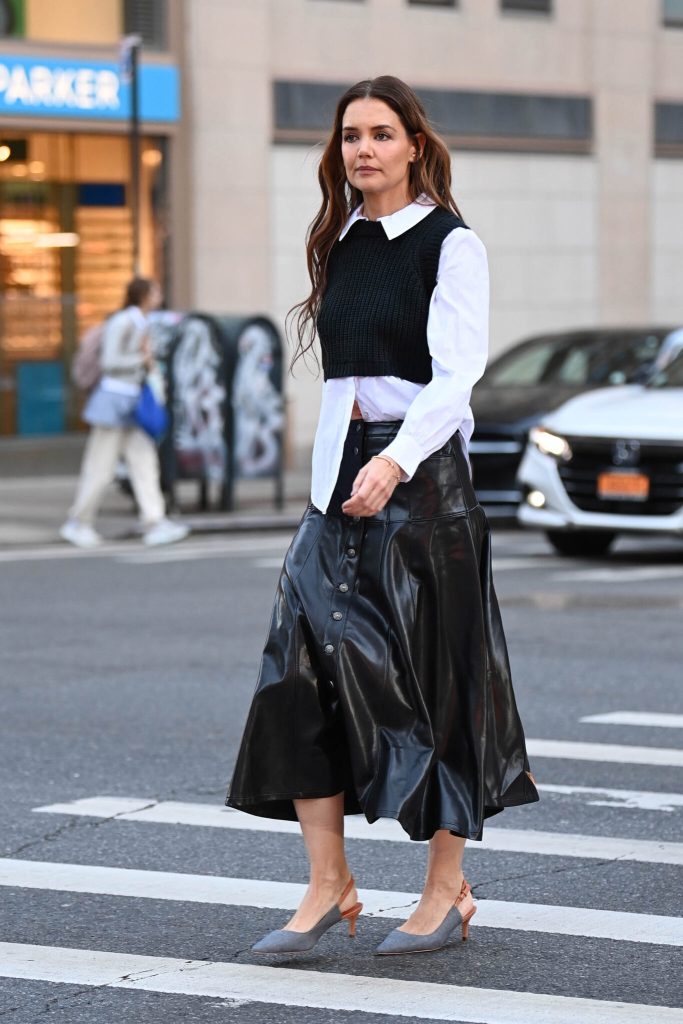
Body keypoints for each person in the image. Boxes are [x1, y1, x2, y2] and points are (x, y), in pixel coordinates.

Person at [226, 76, 539, 956]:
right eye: (350, 135)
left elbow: (454, 377)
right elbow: (341, 382)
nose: (362, 148)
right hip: (341, 480)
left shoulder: (450, 243)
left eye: (380, 134)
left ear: (412, 144)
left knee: (436, 678)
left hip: (424, 481)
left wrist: (394, 460)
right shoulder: (343, 238)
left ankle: (447, 889)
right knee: (297, 670)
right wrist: (334, 475)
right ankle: (329, 884)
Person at [60, 277, 189, 548]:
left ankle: (154, 521)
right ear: (143, 295)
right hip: (113, 402)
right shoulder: (123, 322)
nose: (158, 295)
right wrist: (142, 360)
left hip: (132, 403)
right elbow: (110, 362)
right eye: (154, 291)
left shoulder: (141, 322)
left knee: (144, 463)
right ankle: (78, 522)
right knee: (100, 467)